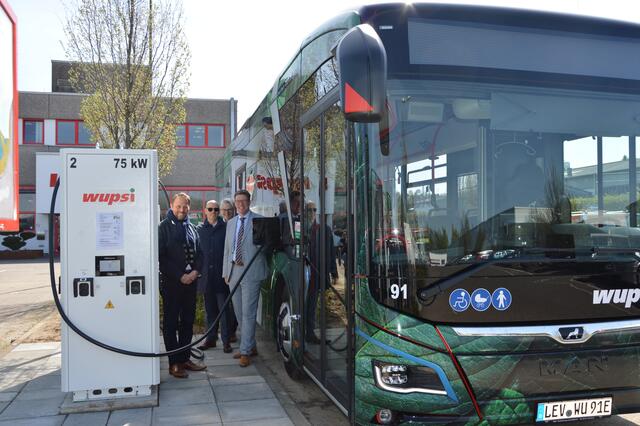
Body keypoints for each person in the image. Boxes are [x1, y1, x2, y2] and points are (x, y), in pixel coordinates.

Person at [159, 193, 207, 378]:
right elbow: (161, 258)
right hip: (172, 284)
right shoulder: (163, 228)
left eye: (185, 206)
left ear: (189, 207)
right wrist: (180, 276)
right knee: (171, 323)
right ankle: (174, 363)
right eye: (178, 206)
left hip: (191, 283)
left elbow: (200, 254)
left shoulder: (192, 229)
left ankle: (185, 358)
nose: (181, 210)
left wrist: (195, 272)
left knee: (187, 321)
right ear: (172, 205)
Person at [222, 190, 268, 367]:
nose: (240, 204)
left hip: (252, 272)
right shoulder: (231, 223)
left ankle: (245, 351)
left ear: (249, 201)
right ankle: (250, 345)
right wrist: (225, 272)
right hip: (233, 272)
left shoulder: (259, 220)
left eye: (243, 200)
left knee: (248, 313)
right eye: (237, 201)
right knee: (240, 312)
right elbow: (227, 250)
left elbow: (266, 247)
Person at [196, 200, 233, 353]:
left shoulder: (226, 228)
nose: (213, 212)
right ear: (205, 211)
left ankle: (226, 341)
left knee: (224, 311)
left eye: (216, 209)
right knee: (210, 311)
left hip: (221, 277)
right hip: (206, 278)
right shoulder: (199, 229)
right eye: (210, 209)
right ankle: (210, 339)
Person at [304, 201, 338, 344]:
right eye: (308, 210)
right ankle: (302, 332)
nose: (311, 212)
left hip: (316, 274)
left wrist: (333, 271)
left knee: (312, 304)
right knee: (302, 304)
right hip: (302, 273)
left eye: (314, 210)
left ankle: (310, 333)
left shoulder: (324, 229)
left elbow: (331, 252)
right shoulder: (299, 228)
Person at [219, 198, 239, 342]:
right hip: (222, 271)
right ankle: (225, 332)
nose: (226, 212)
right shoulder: (219, 225)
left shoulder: (238, 224)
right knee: (224, 305)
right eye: (224, 210)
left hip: (235, 270)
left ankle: (232, 332)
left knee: (235, 305)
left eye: (229, 209)